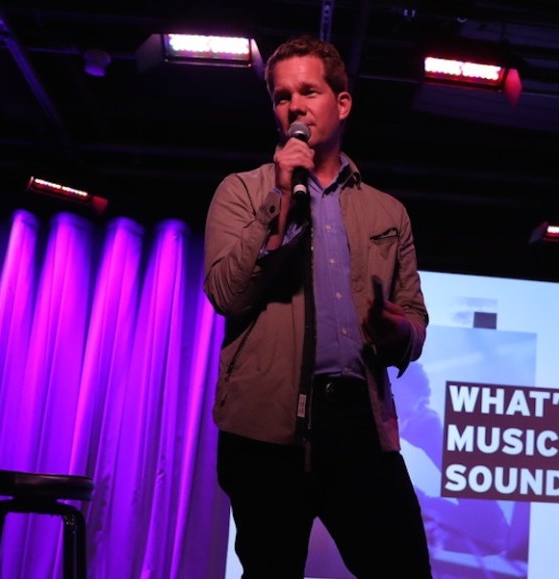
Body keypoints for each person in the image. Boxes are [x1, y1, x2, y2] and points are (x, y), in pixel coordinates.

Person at [203, 35, 433, 578]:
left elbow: (414, 318)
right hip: (265, 428)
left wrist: (397, 332)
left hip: (358, 421)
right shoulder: (241, 192)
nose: (295, 107)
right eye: (282, 97)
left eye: (308, 91)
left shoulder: (388, 211)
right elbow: (227, 294)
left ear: (342, 103)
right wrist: (281, 198)